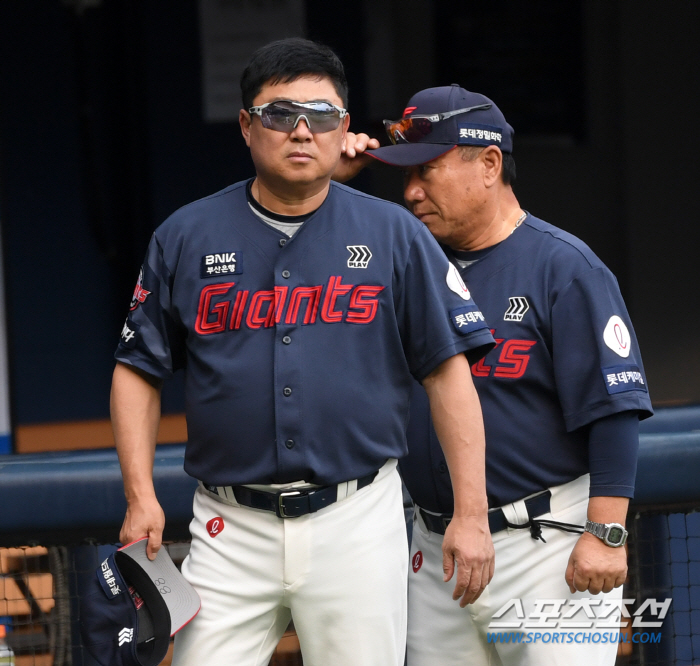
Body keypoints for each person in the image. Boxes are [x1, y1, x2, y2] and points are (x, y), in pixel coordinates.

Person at [110, 43, 496, 666]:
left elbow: (448, 376)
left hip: (358, 518)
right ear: (245, 125)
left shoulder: (395, 234)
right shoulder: (185, 235)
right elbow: (137, 372)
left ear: (344, 129)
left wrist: (471, 513)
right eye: (279, 112)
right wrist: (140, 496)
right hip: (228, 525)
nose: (300, 129)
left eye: (320, 114)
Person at [338, 84, 653, 665]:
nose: (409, 192)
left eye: (426, 171)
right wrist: (329, 180)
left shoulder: (566, 268)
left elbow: (614, 408)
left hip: (545, 548)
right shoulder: (406, 265)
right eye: (404, 176)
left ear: (488, 165)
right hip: (436, 552)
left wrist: (607, 533)